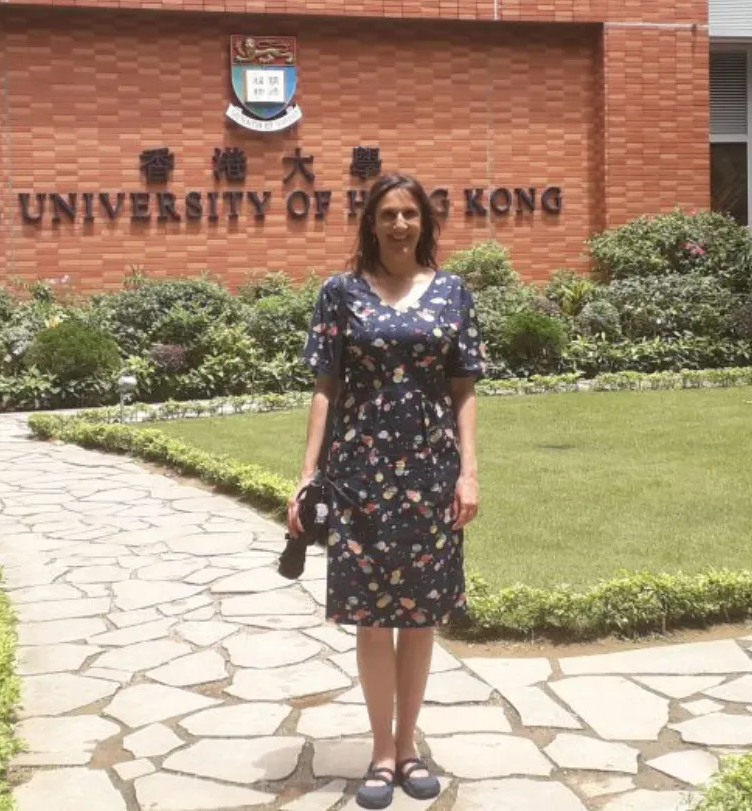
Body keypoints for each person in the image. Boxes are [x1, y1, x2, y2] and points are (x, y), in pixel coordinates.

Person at [291, 173, 485, 810]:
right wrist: (307, 475)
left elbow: (464, 390)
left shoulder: (454, 293)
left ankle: (409, 747)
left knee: (420, 617)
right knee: (373, 620)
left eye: (410, 214)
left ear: (425, 223)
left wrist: (469, 472)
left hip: (431, 474)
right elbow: (325, 388)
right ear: (370, 225)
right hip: (359, 477)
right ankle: (380, 752)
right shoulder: (339, 294)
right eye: (387, 215)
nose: (400, 225)